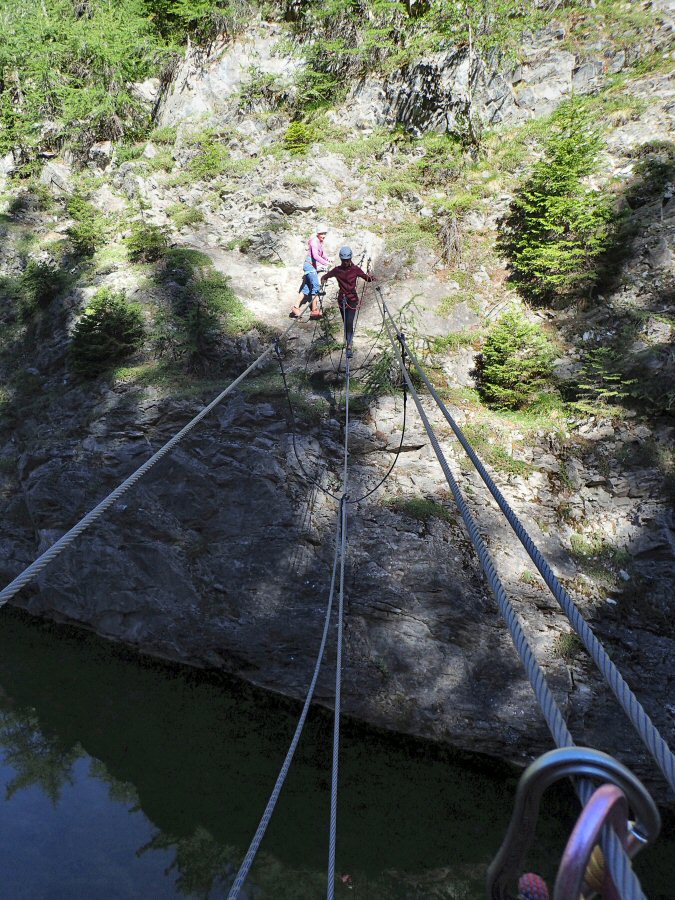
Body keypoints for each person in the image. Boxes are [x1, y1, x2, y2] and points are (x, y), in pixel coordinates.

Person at [321, 246, 374, 358]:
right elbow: (325, 276)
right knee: (346, 323)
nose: (345, 262)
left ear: (350, 259)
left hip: (352, 300)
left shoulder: (355, 269)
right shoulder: (337, 270)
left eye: (347, 260)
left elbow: (366, 278)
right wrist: (323, 280)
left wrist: (371, 277)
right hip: (342, 300)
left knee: (349, 322)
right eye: (344, 260)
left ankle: (349, 346)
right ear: (341, 259)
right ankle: (349, 341)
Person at [290, 225, 330, 320]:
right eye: (322, 234)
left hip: (311, 267)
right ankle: (314, 310)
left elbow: (322, 253)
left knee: (306, 289)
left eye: (325, 234)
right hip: (310, 267)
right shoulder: (314, 242)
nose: (323, 236)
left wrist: (328, 259)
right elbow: (315, 256)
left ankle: (295, 308)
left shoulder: (319, 242)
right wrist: (325, 264)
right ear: (318, 233)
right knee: (316, 287)